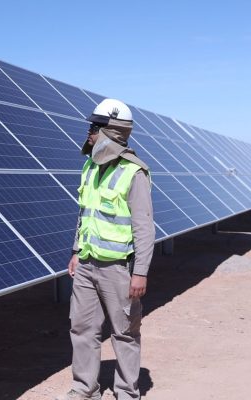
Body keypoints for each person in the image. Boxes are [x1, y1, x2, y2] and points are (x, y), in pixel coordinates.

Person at [62, 99, 155, 400]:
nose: (89, 132)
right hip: (87, 263)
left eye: (95, 127)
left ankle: (127, 393)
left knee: (125, 332)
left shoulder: (133, 172)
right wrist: (76, 251)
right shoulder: (90, 166)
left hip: (119, 269)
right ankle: (84, 389)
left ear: (112, 132)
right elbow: (84, 213)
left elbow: (144, 228)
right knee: (82, 328)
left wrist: (140, 272)